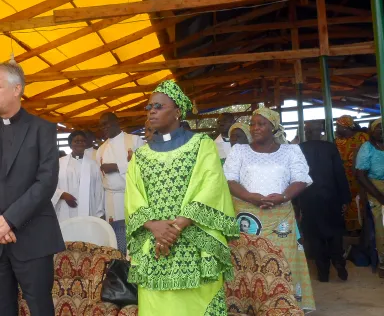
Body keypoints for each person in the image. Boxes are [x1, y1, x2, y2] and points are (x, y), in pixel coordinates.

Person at [125, 80, 238, 316]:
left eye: (158, 106)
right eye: (149, 107)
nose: (151, 111)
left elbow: (211, 186)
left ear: (177, 111)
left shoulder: (202, 145)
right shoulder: (141, 156)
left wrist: (175, 227)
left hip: (195, 243)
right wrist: (153, 226)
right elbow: (133, 197)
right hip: (154, 243)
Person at [0, 61, 64, 316]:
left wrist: (9, 220)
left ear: (17, 89)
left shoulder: (43, 130)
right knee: (1, 310)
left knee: (40, 308)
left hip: (32, 237)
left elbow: (45, 182)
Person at [224, 108, 315, 312]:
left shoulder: (291, 151)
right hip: (247, 217)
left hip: (280, 217)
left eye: (261, 124)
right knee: (248, 262)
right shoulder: (239, 151)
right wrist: (250, 197)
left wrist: (282, 197)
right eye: (253, 124)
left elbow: (300, 179)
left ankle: (283, 306)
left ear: (273, 127)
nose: (255, 128)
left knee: (283, 260)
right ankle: (250, 305)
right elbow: (228, 179)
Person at [294, 121, 350, 282]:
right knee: (335, 231)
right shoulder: (330, 148)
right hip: (331, 196)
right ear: (321, 132)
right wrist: (345, 198)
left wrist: (296, 203)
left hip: (308, 197)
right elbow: (340, 173)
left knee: (314, 235)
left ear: (306, 131)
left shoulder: (299, 149)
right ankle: (339, 262)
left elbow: (296, 176)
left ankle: (323, 272)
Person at [96, 112, 145, 223]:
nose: (103, 128)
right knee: (116, 236)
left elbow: (145, 166)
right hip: (111, 198)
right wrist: (100, 211)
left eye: (106, 124)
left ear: (116, 122)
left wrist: (117, 167)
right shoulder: (101, 149)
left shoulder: (135, 140)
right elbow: (101, 180)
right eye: (101, 125)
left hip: (133, 195)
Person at [52, 131, 104, 221]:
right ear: (70, 144)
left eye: (83, 141)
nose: (80, 143)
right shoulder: (59, 163)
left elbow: (99, 190)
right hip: (65, 208)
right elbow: (49, 184)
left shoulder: (93, 165)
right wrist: (62, 194)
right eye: (76, 141)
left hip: (88, 209)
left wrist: (100, 213)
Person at [356, 118, 384, 277]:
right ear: (371, 131)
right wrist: (379, 195)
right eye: (379, 128)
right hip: (375, 189)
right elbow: (360, 175)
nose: (382, 131)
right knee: (382, 228)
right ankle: (382, 262)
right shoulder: (367, 148)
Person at [335, 115, 370, 232]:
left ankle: (364, 227)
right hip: (343, 176)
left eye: (338, 126)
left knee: (361, 199)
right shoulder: (337, 141)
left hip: (361, 175)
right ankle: (351, 229)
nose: (336, 128)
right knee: (347, 200)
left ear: (345, 127)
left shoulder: (362, 137)